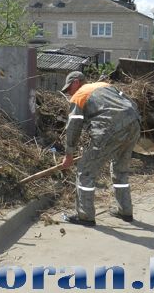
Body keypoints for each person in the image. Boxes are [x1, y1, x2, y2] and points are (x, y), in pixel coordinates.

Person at [59, 71, 141, 226]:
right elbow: (131, 104)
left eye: (69, 88)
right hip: (134, 124)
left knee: (85, 171)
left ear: (76, 82)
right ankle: (125, 211)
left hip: (110, 129)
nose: (69, 93)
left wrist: (68, 155)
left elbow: (73, 128)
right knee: (120, 170)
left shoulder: (79, 95)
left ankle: (85, 216)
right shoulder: (105, 86)